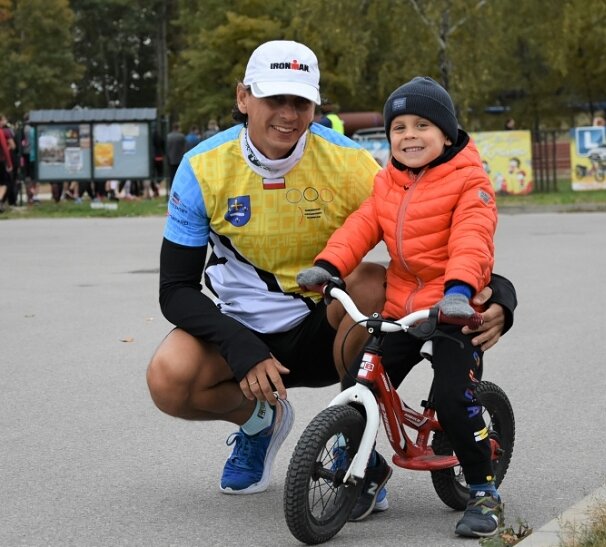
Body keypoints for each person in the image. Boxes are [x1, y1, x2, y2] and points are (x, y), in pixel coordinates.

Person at [146, 40, 516, 504]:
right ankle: (261, 422)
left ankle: (351, 445)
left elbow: (438, 231)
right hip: (240, 335)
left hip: (327, 330)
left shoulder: (350, 163)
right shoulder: (201, 167)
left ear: (315, 105)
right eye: (273, 98)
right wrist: (238, 345)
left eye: (299, 101)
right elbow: (175, 289)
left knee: (374, 280)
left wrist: (497, 292)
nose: (287, 113)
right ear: (243, 98)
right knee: (167, 377)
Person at [297, 76, 503, 538]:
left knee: (454, 398)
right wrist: (329, 266)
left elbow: (473, 239)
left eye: (423, 125)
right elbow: (361, 226)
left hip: (452, 310)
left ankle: (484, 489)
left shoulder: (471, 182)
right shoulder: (387, 181)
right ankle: (368, 473)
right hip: (401, 310)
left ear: (447, 134)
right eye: (399, 127)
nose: (409, 135)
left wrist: (458, 290)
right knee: (359, 381)